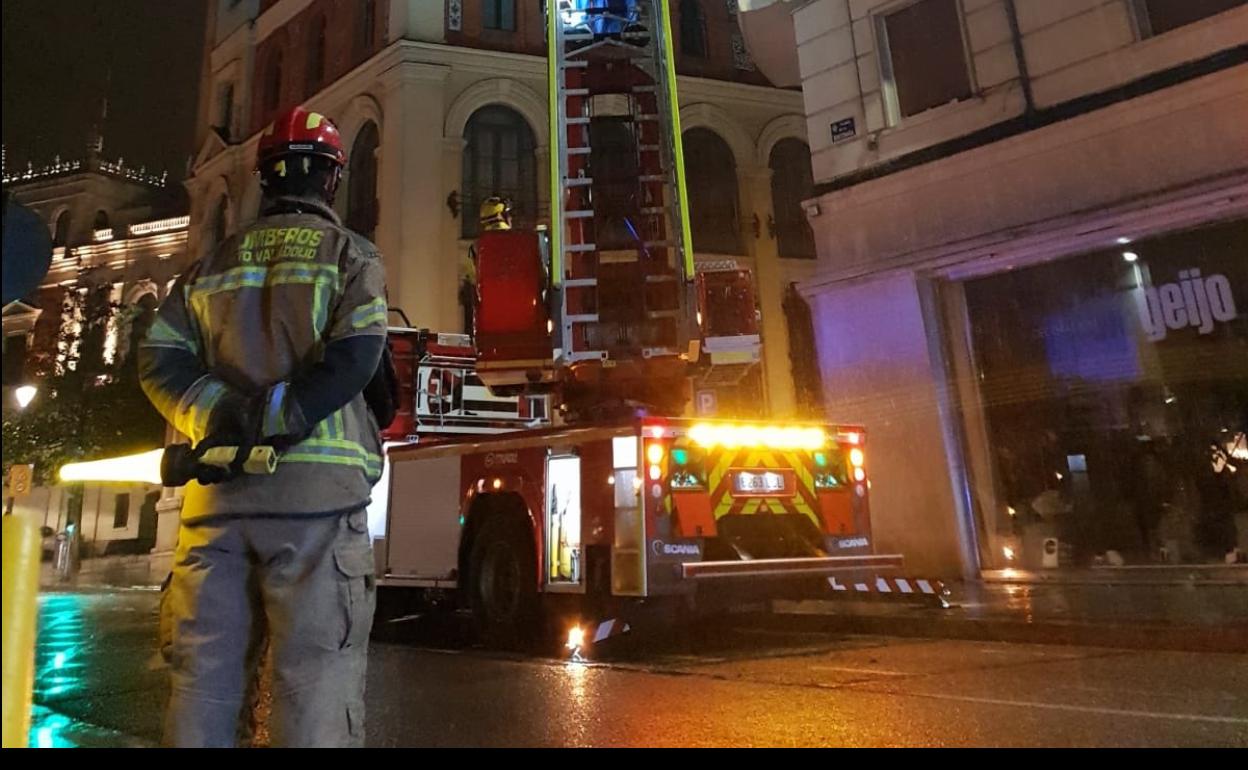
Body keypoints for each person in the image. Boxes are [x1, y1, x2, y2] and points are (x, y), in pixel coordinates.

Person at [139, 106, 389, 747]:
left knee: (203, 689)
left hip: (215, 504)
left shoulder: (211, 266)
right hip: (315, 512)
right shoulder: (349, 256)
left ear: (265, 180)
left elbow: (158, 356)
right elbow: (359, 360)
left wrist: (216, 411)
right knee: (315, 688)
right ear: (332, 179)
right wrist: (280, 415)